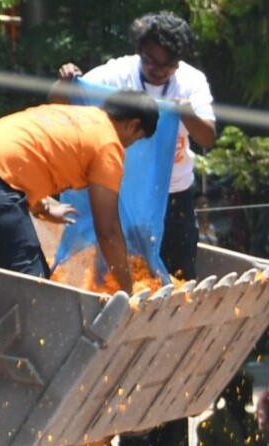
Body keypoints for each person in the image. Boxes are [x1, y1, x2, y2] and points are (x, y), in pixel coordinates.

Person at [57, 13, 215, 279]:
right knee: (112, 268)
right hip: (123, 194)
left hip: (173, 195)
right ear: (139, 51)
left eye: (168, 65)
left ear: (179, 63)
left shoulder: (191, 81)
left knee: (179, 274)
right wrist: (66, 80)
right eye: (151, 60)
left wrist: (186, 114)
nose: (158, 70)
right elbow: (74, 97)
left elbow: (208, 138)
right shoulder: (118, 72)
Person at [0, 96, 159, 284]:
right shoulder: (107, 144)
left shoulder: (73, 115)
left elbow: (27, 155)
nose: (129, 146)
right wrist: (127, 291)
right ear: (132, 126)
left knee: (30, 277)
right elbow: (108, 230)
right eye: (136, 139)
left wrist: (43, 206)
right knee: (34, 283)